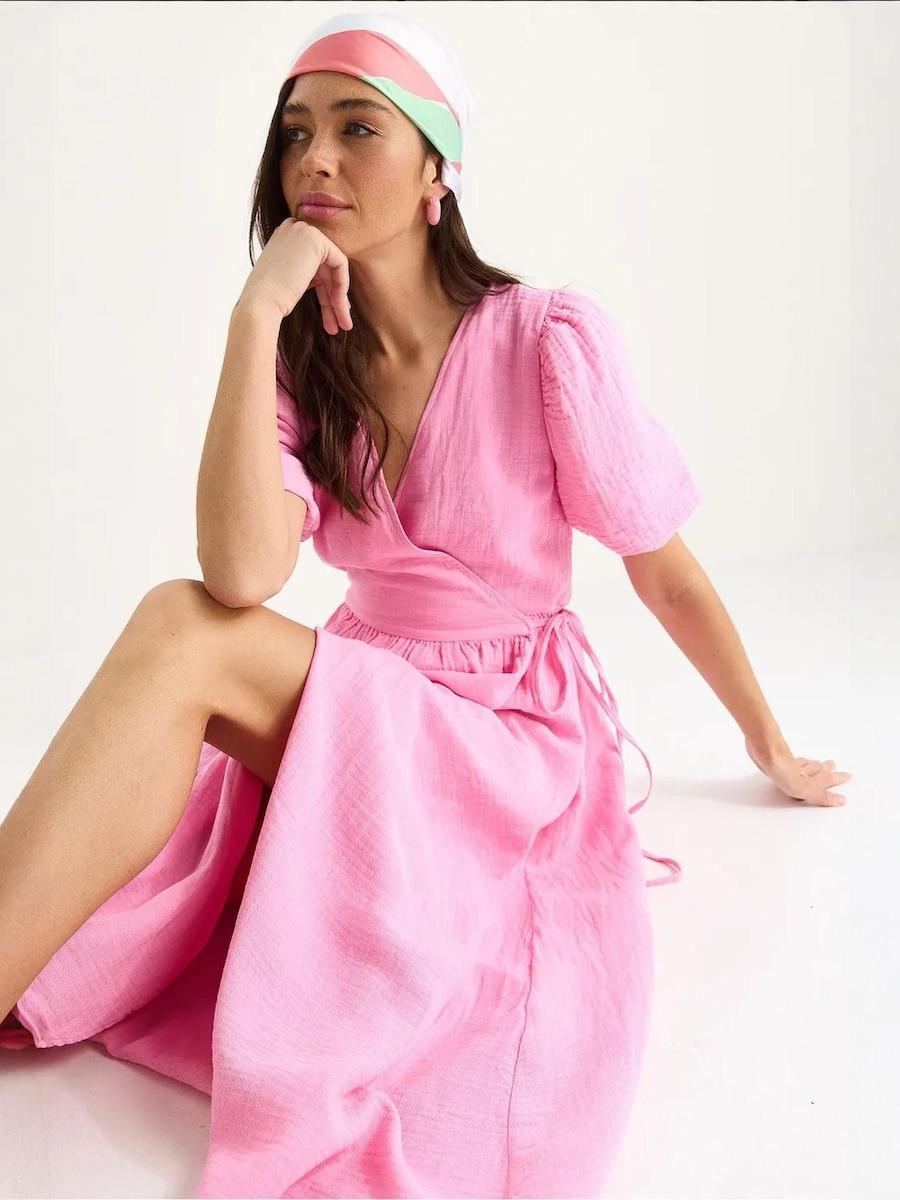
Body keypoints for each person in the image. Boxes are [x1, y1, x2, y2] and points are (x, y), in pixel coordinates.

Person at [0, 10, 852, 1198]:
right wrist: (254, 318)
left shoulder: (544, 339)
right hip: (375, 703)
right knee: (183, 619)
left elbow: (662, 566)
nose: (316, 160)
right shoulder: (305, 360)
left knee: (178, 630)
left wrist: (769, 742)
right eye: (296, 132)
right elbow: (241, 572)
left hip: (506, 737)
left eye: (359, 129)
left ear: (438, 170)